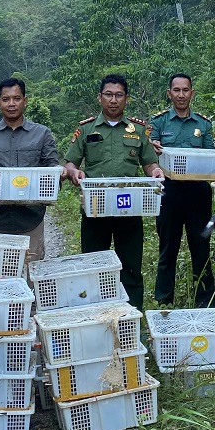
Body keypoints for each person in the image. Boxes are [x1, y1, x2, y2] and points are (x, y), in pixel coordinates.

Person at [64, 74, 164, 310]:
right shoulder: (86, 128)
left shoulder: (138, 130)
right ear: (100, 97)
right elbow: (70, 163)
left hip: (128, 207)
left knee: (130, 267)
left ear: (126, 99)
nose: (113, 100)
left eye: (119, 95)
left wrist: (156, 172)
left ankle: (132, 316)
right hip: (95, 207)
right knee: (93, 266)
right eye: (108, 94)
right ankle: (95, 316)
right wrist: (74, 173)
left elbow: (149, 164)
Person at [0, 77, 62, 263]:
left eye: (16, 98)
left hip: (30, 220)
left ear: (25, 101)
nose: (11, 104)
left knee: (30, 274)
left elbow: (52, 165)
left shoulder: (42, 134)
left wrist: (59, 172)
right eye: (6, 99)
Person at [148, 73, 215, 308]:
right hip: (168, 191)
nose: (181, 95)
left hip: (198, 191)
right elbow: (149, 156)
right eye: (176, 90)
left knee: (201, 247)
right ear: (169, 93)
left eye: (185, 90)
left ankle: (205, 301)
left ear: (192, 93)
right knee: (168, 247)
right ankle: (164, 301)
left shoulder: (203, 124)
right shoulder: (158, 123)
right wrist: (152, 149)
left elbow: (211, 156)